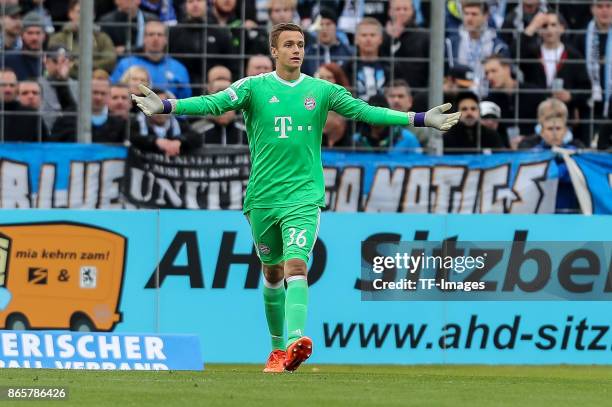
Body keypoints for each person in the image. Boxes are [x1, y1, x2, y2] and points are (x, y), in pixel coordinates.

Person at [131, 22, 459, 373]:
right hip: (261, 198)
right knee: (271, 273)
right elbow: (213, 103)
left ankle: (295, 342)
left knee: (297, 266)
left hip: (303, 196)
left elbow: (365, 111)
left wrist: (421, 118)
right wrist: (166, 105)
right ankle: (276, 350)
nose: (296, 50)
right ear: (274, 51)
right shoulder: (253, 87)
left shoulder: (321, 91)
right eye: (288, 44)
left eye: (300, 44)